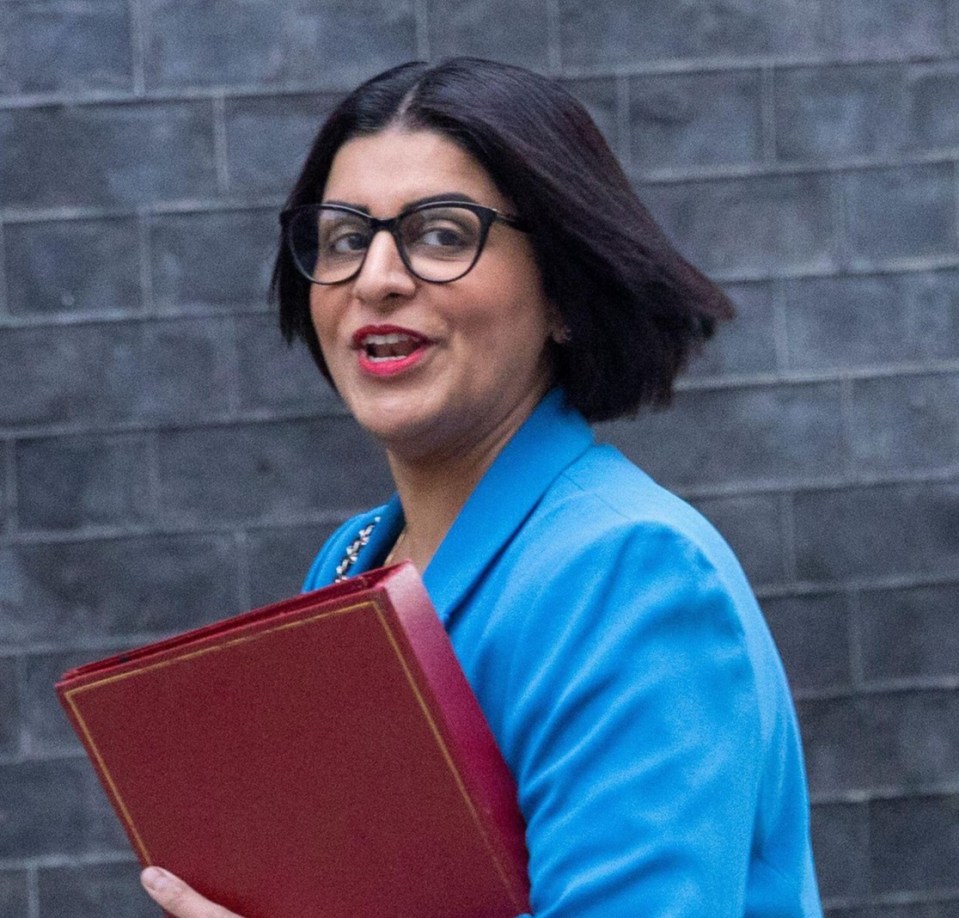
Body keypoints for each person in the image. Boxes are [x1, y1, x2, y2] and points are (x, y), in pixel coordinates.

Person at [141, 57, 822, 917]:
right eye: (345, 238)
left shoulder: (630, 572)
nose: (376, 278)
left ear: (563, 292)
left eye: (440, 234)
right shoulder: (354, 558)